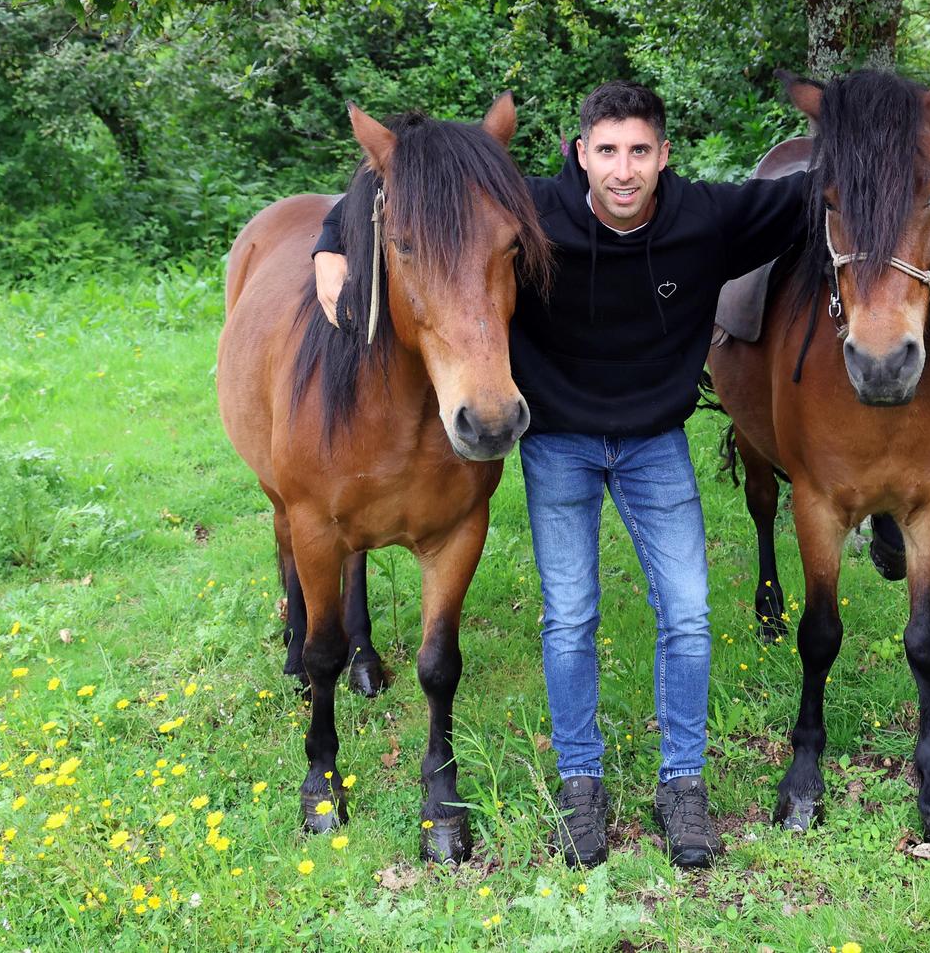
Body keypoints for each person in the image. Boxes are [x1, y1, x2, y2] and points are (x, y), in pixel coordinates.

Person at [311, 81, 806, 868]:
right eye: (606, 150)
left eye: (639, 150)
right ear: (581, 154)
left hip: (654, 444)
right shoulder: (530, 207)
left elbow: (814, 194)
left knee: (688, 612)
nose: (623, 169)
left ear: (663, 156)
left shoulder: (706, 218)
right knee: (569, 615)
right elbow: (405, 189)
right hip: (560, 442)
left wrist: (894, 134)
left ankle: (683, 785)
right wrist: (329, 245)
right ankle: (581, 782)